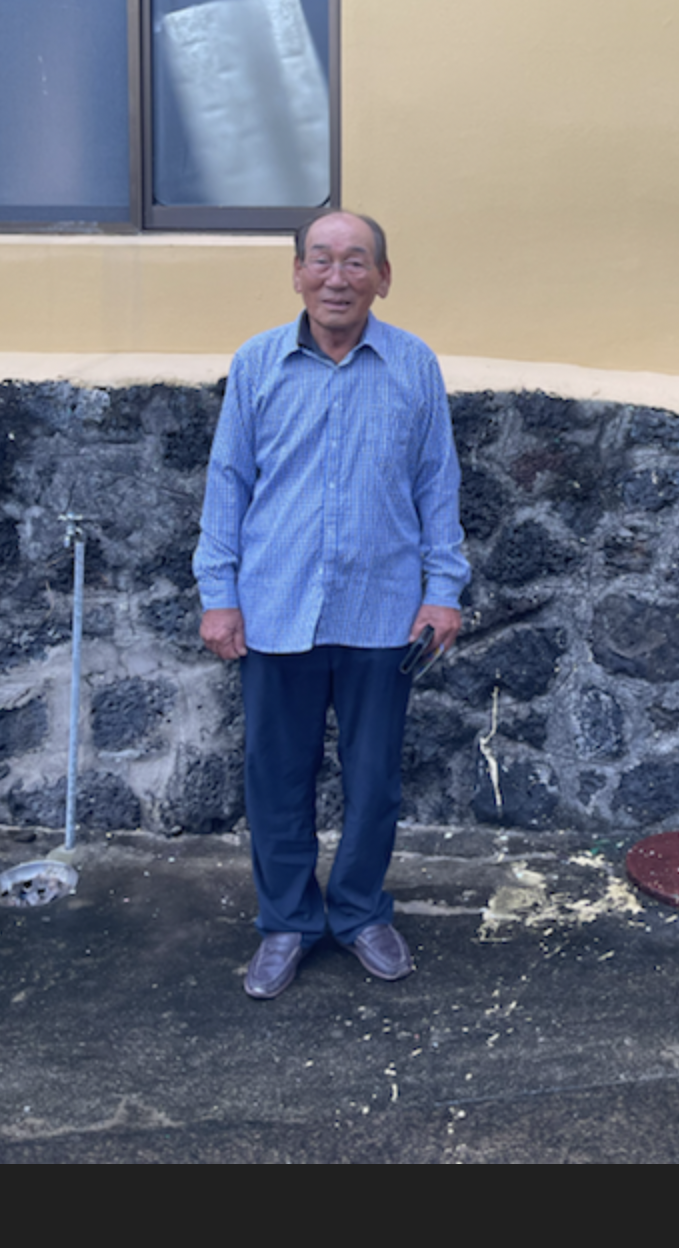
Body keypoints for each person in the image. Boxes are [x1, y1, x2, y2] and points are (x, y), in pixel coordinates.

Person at [194, 209, 468, 999]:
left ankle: (358, 912)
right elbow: (228, 482)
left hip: (384, 611)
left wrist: (442, 592)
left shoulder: (413, 364)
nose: (336, 277)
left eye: (355, 261)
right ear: (297, 273)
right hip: (276, 606)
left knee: (375, 778)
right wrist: (220, 594)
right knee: (276, 776)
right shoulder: (257, 363)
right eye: (320, 259)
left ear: (383, 276)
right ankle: (287, 921)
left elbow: (437, 484)